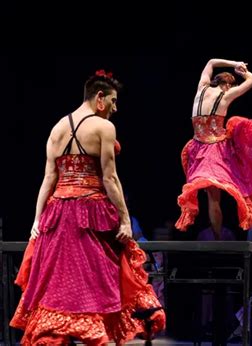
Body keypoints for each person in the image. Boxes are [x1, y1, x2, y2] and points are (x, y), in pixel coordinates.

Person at [10, 70, 165, 344]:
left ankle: (64, 334)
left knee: (59, 284)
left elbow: (49, 178)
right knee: (99, 281)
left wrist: (37, 219)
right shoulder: (104, 127)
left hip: (57, 214)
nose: (116, 109)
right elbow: (109, 177)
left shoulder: (57, 127)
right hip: (89, 213)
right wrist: (126, 220)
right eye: (114, 102)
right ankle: (93, 332)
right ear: (100, 98)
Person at [175, 58, 252, 240]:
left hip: (196, 149)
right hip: (215, 151)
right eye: (231, 86)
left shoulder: (201, 88)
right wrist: (241, 69)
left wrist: (232, 63)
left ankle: (217, 236)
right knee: (220, 195)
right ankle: (218, 239)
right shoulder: (225, 95)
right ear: (227, 85)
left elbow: (211, 62)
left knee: (212, 197)